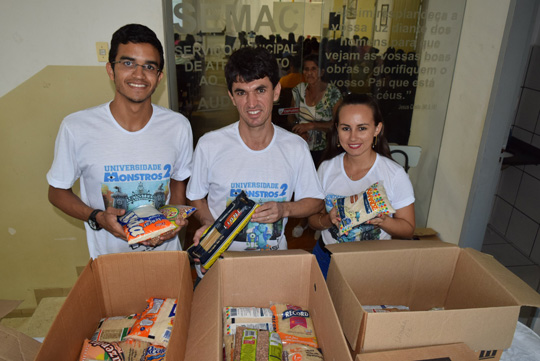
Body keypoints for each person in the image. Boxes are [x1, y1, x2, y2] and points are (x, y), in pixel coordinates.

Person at [47, 24, 193, 259]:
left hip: (167, 259)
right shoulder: (77, 127)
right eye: (128, 63)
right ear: (110, 70)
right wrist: (97, 217)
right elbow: (56, 192)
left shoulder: (178, 127)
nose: (138, 74)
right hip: (109, 261)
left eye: (149, 66)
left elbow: (178, 181)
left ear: (159, 77)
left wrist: (173, 219)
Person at [186, 46, 325, 279]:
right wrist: (210, 223)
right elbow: (195, 196)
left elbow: (315, 201)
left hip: (273, 269)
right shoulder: (210, 144)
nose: (252, 103)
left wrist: (284, 209)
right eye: (241, 92)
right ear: (231, 96)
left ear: (276, 91)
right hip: (218, 269)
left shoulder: (295, 147)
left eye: (260, 90)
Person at [307, 93, 415, 277]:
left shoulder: (394, 174)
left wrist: (384, 221)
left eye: (362, 128)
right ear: (337, 129)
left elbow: (408, 229)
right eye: (346, 128)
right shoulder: (326, 168)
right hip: (327, 259)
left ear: (377, 129)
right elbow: (312, 221)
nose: (353, 137)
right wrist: (327, 219)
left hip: (372, 265)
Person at [289, 53, 342, 237]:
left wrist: (312, 126)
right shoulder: (298, 90)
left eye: (313, 69)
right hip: (302, 148)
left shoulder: (333, 93)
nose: (309, 73)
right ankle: (304, 221)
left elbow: (337, 125)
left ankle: (320, 220)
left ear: (322, 71)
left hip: (325, 149)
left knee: (321, 186)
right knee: (303, 186)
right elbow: (290, 117)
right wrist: (300, 130)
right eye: (306, 69)